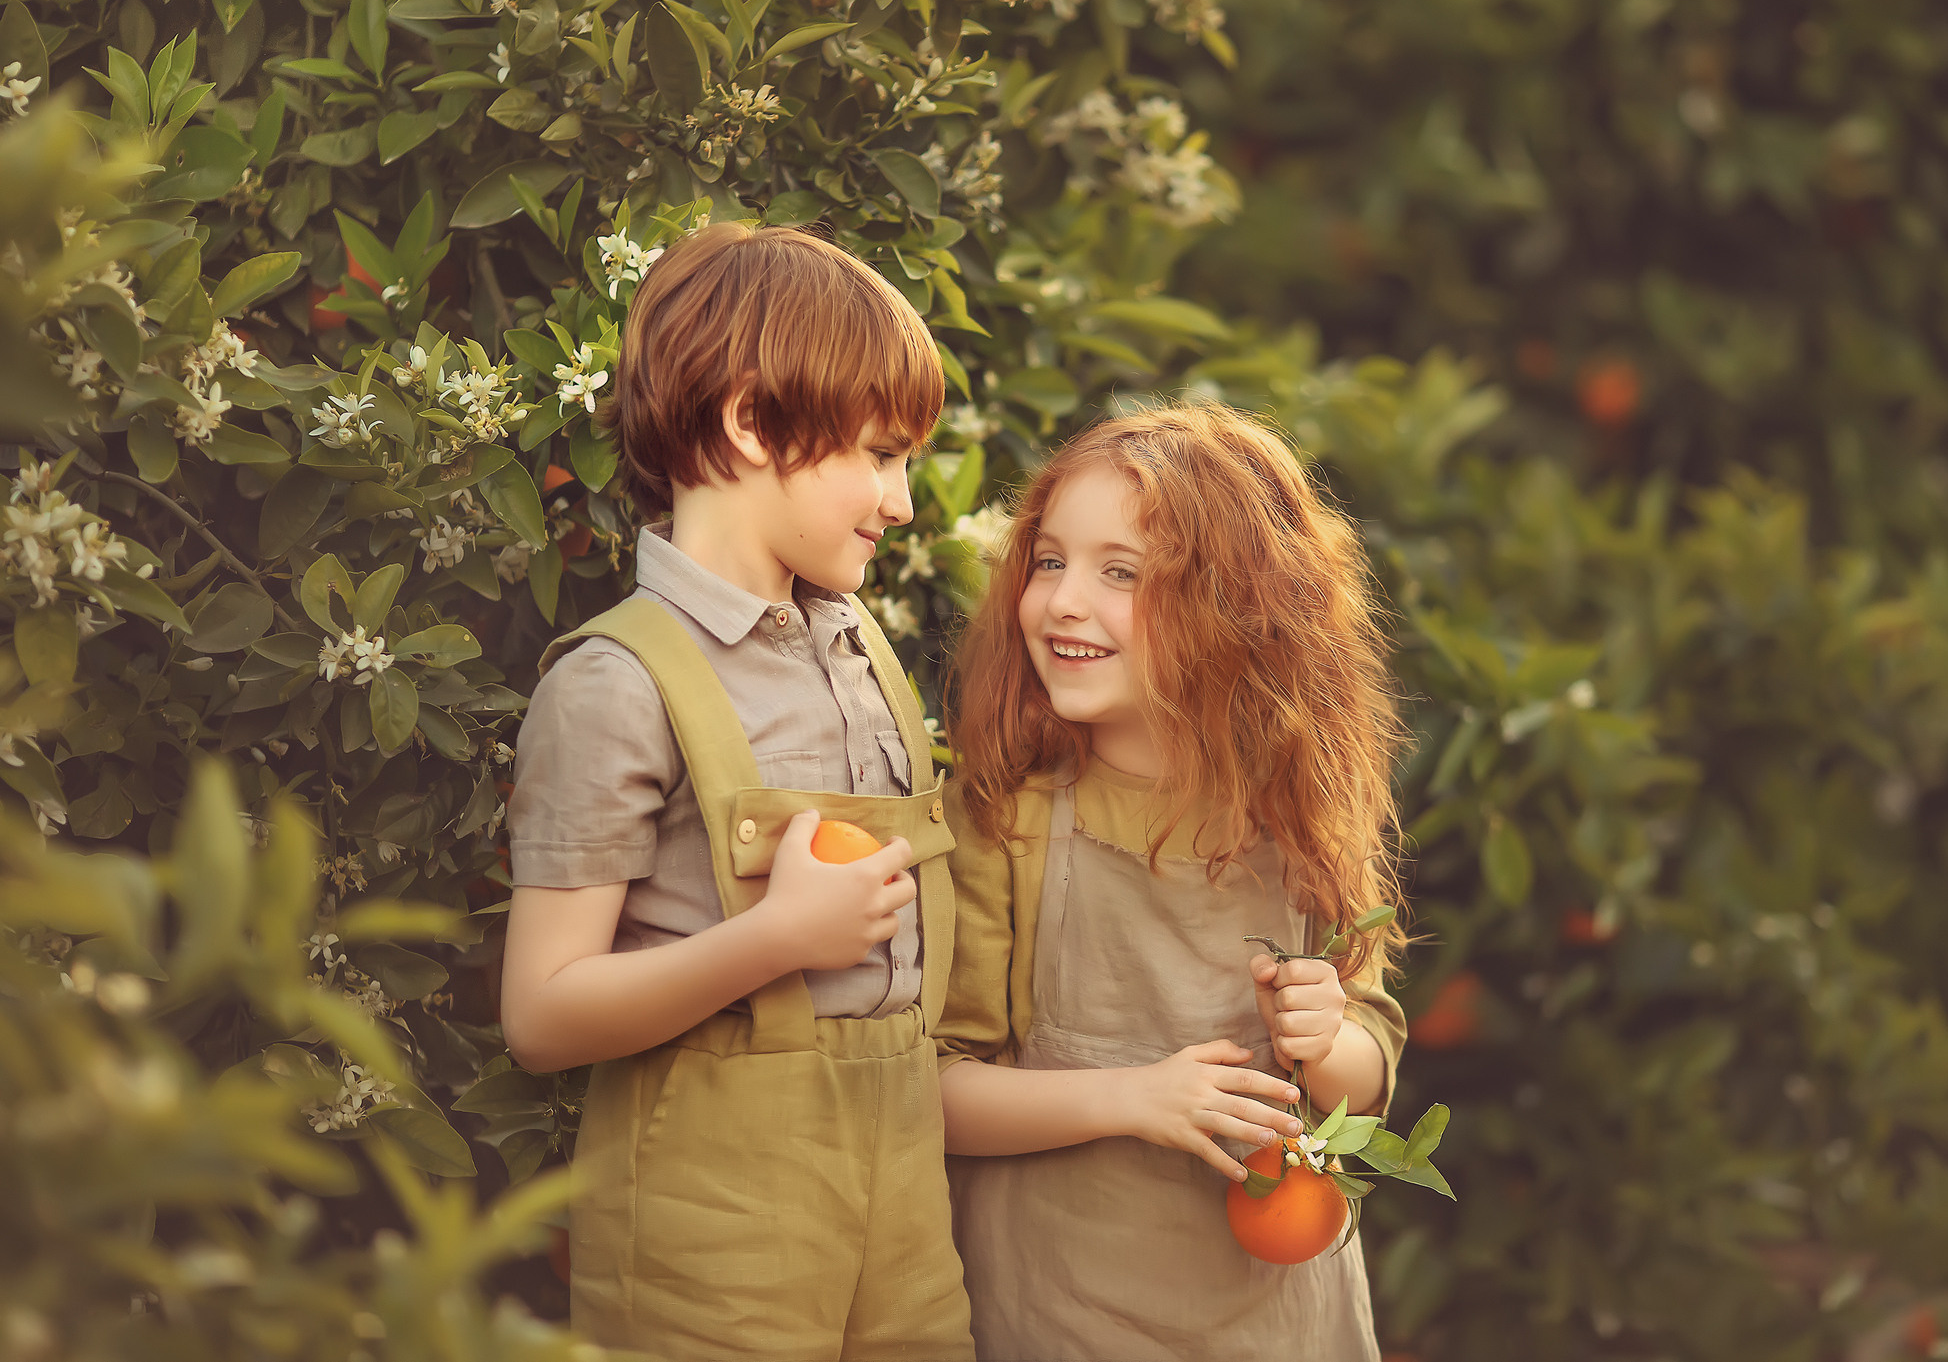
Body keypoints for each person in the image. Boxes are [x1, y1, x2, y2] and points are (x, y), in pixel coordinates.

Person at [501, 223, 973, 1362]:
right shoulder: (616, 682)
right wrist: (772, 941)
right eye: (877, 453)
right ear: (752, 421)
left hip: (908, 1212)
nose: (901, 501)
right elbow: (543, 1014)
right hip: (711, 1237)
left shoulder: (859, 642)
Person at [935, 400, 1410, 1362]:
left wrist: (1327, 1039)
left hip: (1281, 1320)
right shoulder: (1004, 817)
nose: (1064, 600)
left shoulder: (1295, 818)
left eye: (1122, 574)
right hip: (1065, 1309)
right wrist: (1131, 1097)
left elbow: (1365, 1081)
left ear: (1236, 610)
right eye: (1050, 561)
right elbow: (930, 1092)